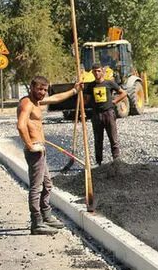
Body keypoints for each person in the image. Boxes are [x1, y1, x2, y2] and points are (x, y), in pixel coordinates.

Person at [17, 76, 81, 235]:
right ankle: (36, 222)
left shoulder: (37, 102)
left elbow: (56, 98)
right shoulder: (27, 103)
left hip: (41, 149)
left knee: (47, 185)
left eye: (45, 89)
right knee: (36, 187)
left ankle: (46, 215)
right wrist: (30, 145)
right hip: (35, 152)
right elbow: (21, 125)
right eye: (40, 89)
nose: (43, 92)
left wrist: (74, 90)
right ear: (32, 87)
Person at [89, 65, 127, 165]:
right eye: (94, 71)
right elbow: (82, 94)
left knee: (113, 138)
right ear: (92, 73)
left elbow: (123, 93)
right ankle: (98, 162)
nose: (96, 73)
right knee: (98, 140)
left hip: (108, 113)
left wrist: (114, 101)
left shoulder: (109, 83)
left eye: (98, 71)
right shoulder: (90, 85)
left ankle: (116, 160)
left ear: (102, 72)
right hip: (96, 115)